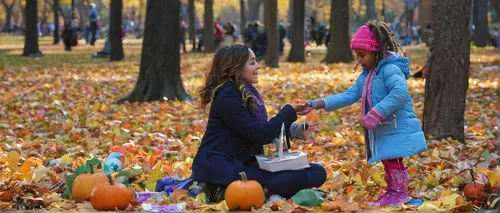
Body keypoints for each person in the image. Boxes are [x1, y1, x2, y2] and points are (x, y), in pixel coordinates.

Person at [296, 20, 428, 206]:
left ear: (376, 50)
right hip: (385, 126)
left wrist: (375, 114)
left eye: (362, 55)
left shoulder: (389, 69)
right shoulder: (367, 73)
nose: (359, 60)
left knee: (392, 160)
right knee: (389, 160)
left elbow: (399, 93)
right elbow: (350, 95)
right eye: (357, 56)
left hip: (395, 124)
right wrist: (317, 103)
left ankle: (400, 193)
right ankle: (394, 191)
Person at [192, 44, 327, 202]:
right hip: (221, 168)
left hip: (241, 163)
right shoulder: (227, 97)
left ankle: (267, 192)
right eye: (252, 62)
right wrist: (287, 110)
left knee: (316, 171)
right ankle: (220, 190)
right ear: (236, 69)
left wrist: (293, 130)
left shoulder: (244, 93)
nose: (258, 66)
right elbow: (260, 134)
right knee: (297, 177)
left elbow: (256, 129)